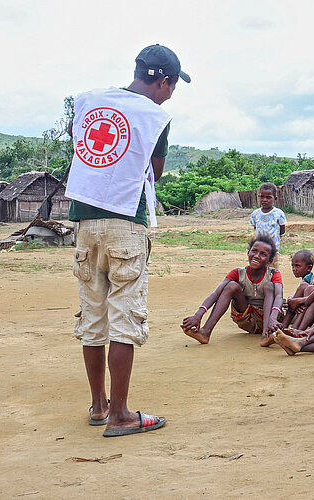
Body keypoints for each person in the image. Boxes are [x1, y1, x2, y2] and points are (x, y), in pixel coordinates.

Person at [66, 44, 190, 437]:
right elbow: (154, 170)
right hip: (126, 223)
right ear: (164, 81)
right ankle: (120, 414)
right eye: (173, 86)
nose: (171, 94)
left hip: (85, 222)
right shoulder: (154, 116)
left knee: (92, 318)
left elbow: (83, 149)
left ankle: (99, 405)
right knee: (123, 320)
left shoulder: (90, 102)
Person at [182, 234, 283, 344]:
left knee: (269, 286)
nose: (257, 256)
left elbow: (279, 296)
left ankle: (266, 335)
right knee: (231, 286)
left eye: (263, 254)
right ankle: (205, 332)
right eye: (254, 251)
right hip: (246, 319)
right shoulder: (238, 273)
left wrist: (273, 319)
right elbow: (216, 293)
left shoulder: (273, 274)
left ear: (269, 261)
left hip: (269, 321)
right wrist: (198, 315)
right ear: (248, 253)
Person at [250, 182, 287, 258]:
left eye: (269, 197)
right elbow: (256, 228)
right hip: (258, 249)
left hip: (273, 249)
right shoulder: (255, 214)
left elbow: (282, 231)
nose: (264, 200)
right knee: (259, 268)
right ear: (258, 197)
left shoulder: (279, 214)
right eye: (262, 197)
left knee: (272, 268)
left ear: (275, 198)